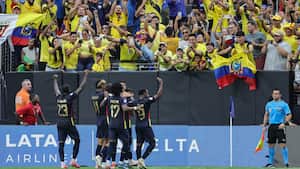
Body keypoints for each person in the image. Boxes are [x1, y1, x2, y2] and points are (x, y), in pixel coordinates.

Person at [53, 70, 88, 169]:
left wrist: (54, 79)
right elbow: (81, 88)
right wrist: (85, 76)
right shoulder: (69, 97)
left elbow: (55, 89)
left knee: (61, 143)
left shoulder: (59, 97)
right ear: (68, 91)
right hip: (68, 122)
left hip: (59, 122)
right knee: (77, 140)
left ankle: (62, 164)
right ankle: (73, 160)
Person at [102, 82, 141, 169]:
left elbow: (102, 105)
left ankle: (108, 162)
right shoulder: (121, 99)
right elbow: (124, 108)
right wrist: (135, 108)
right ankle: (124, 162)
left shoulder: (110, 99)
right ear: (120, 90)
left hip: (111, 124)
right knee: (127, 142)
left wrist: (106, 98)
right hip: (120, 125)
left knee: (112, 144)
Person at [262, 88, 296, 168]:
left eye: (277, 94)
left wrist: (284, 123)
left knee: (282, 144)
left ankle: (286, 163)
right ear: (272, 95)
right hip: (271, 126)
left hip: (280, 126)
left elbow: (289, 115)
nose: (275, 95)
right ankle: (270, 163)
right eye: (274, 94)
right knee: (271, 145)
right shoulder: (269, 104)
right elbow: (266, 115)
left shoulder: (284, 104)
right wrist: (264, 125)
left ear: (280, 95)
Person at [134, 77, 163, 169]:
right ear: (144, 93)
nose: (148, 94)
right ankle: (142, 159)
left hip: (137, 125)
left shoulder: (134, 102)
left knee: (139, 144)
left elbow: (126, 106)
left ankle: (139, 162)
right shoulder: (147, 100)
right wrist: (161, 84)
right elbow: (158, 95)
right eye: (147, 92)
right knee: (153, 143)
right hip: (146, 125)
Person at [91, 79, 110, 169]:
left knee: (100, 142)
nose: (105, 85)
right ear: (101, 85)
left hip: (98, 119)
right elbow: (103, 105)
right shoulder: (103, 95)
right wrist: (106, 97)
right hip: (105, 119)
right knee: (107, 141)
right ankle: (102, 160)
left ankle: (97, 163)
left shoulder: (94, 95)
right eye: (104, 84)